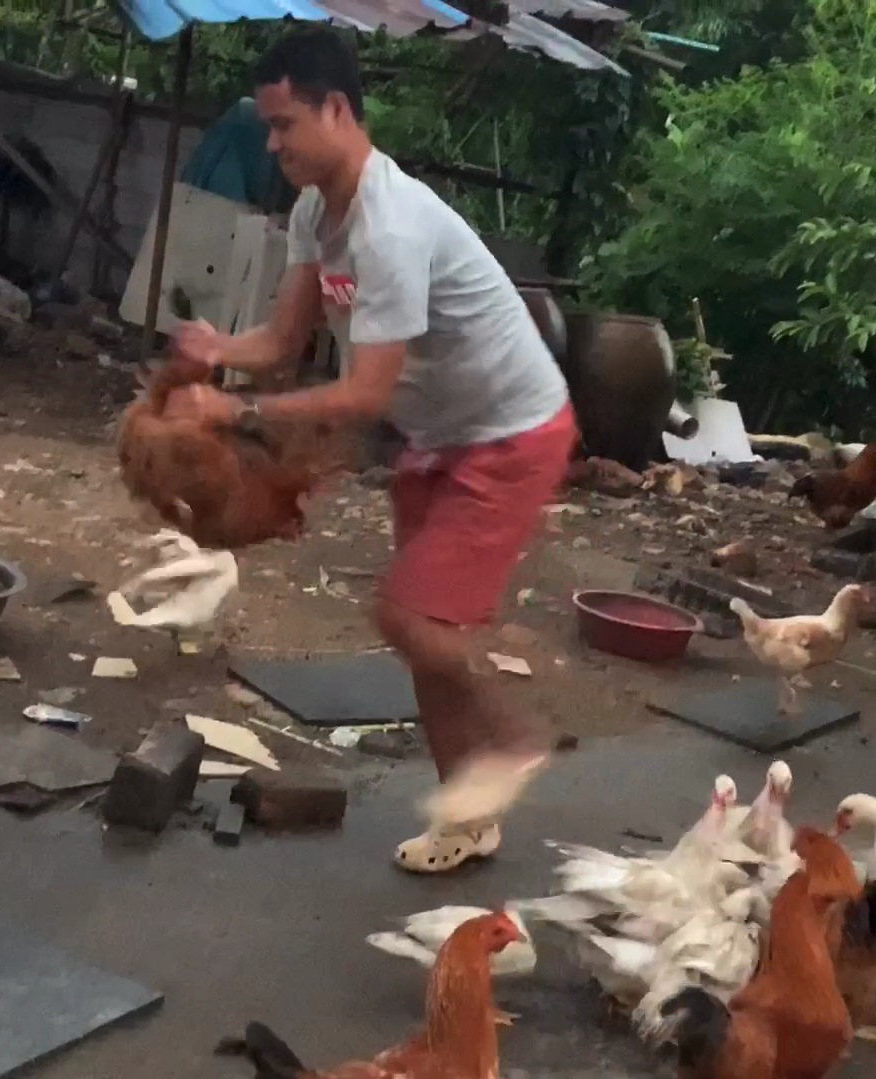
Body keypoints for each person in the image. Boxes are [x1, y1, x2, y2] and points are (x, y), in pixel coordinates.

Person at [167, 27, 577, 874]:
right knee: (427, 635)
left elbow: (363, 396)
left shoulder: (389, 227)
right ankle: (468, 814)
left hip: (511, 432)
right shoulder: (316, 213)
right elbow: (283, 341)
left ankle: (514, 738)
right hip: (443, 433)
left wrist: (236, 413)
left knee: (406, 616)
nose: (272, 144)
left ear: (337, 110)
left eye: (283, 125)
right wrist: (218, 350)